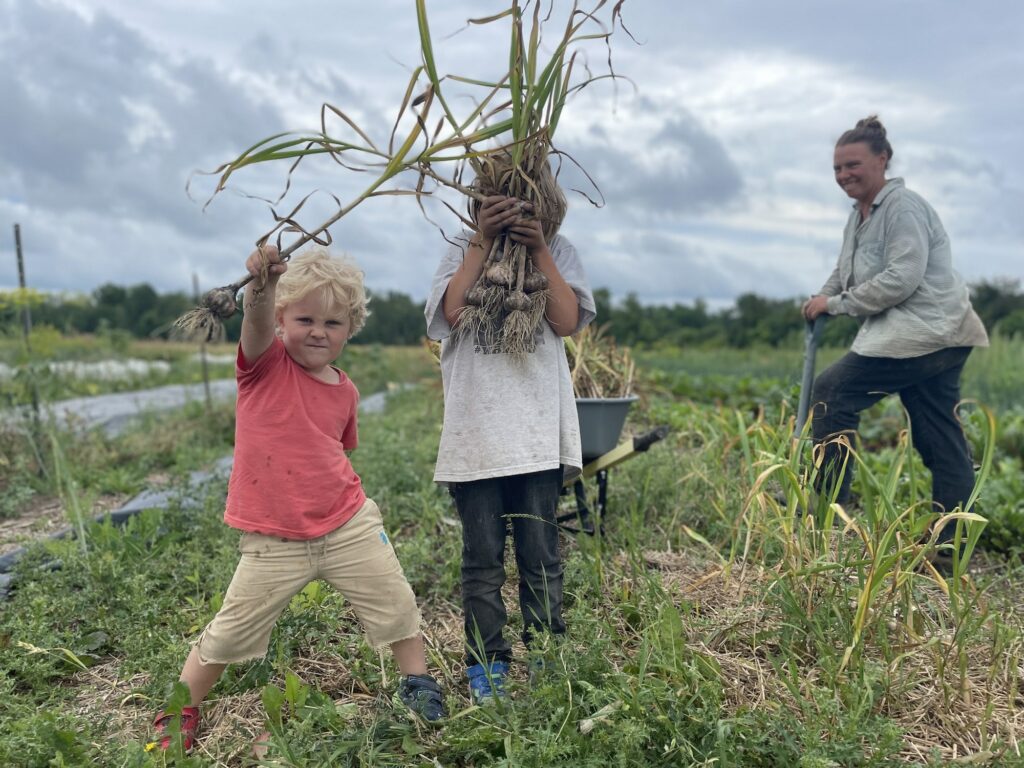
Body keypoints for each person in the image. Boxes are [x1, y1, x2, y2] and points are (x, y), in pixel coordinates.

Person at [152, 246, 444, 752]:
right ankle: (180, 712)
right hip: (273, 539)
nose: (317, 331)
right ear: (283, 319)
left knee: (396, 603)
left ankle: (417, 684)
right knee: (228, 633)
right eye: (304, 318)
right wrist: (262, 288)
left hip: (346, 522)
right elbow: (257, 322)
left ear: (350, 329)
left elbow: (335, 451)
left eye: (333, 322)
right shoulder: (264, 365)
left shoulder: (346, 390)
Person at [425, 156, 596, 704]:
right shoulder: (461, 246)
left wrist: (539, 249)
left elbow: (566, 321)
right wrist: (482, 242)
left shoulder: (560, 251)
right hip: (476, 438)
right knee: (481, 559)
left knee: (540, 555)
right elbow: (450, 314)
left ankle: (547, 656)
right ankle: (487, 665)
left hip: (536, 435)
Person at [802, 115, 989, 561]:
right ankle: (951, 546)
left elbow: (902, 278)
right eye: (837, 169)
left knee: (831, 392)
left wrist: (838, 305)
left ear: (882, 159)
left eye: (853, 165)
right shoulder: (861, 215)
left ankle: (826, 516)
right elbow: (843, 269)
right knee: (937, 433)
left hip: (926, 331)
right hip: (932, 336)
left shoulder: (902, 207)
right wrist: (824, 295)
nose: (844, 175)